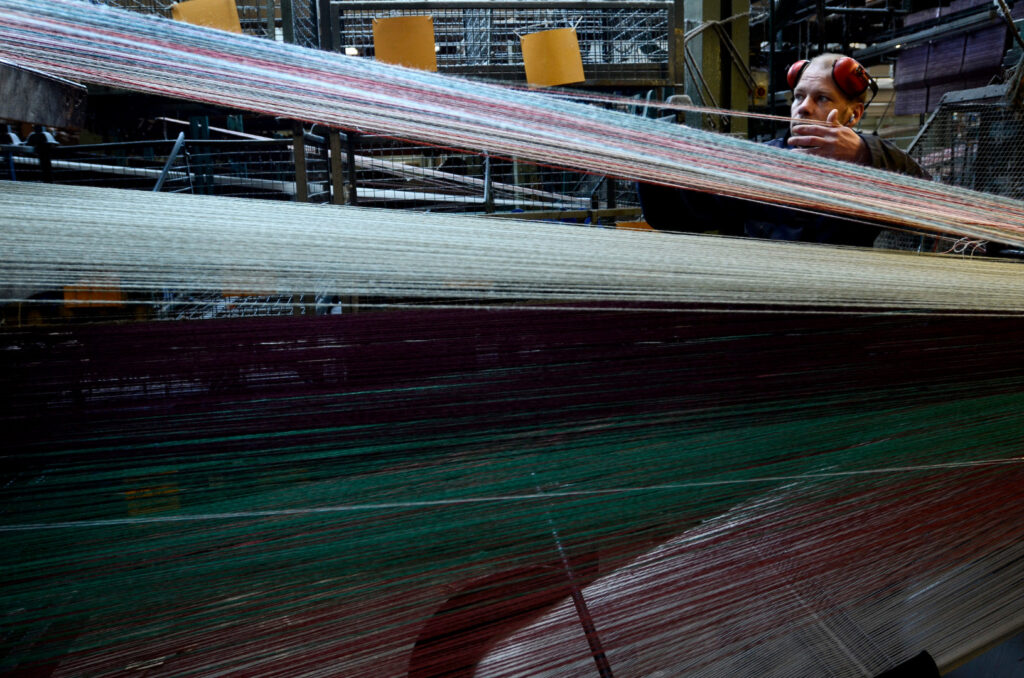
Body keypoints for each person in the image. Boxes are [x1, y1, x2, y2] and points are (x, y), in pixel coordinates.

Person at [637, 53, 929, 247]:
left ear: (853, 115)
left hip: (839, 315)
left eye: (822, 98)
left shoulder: (869, 169)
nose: (803, 107)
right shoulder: (760, 164)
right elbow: (676, 217)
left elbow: (929, 201)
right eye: (799, 97)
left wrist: (864, 153)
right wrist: (656, 163)